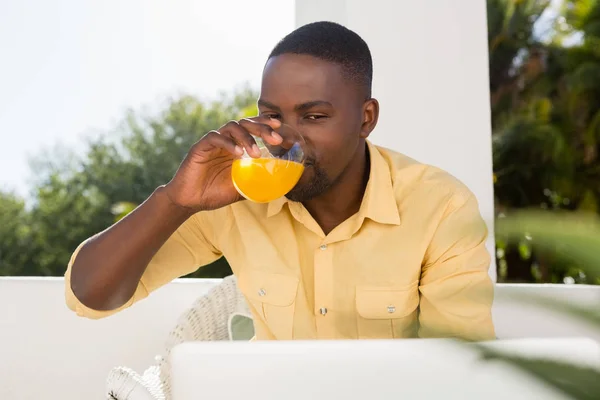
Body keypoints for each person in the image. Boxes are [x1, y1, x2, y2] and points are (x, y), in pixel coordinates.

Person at [65, 21, 495, 341]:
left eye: (314, 116)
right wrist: (177, 200)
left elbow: (459, 370)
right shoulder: (237, 196)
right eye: (271, 115)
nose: (284, 137)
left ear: (366, 119)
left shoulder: (440, 206)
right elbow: (90, 298)